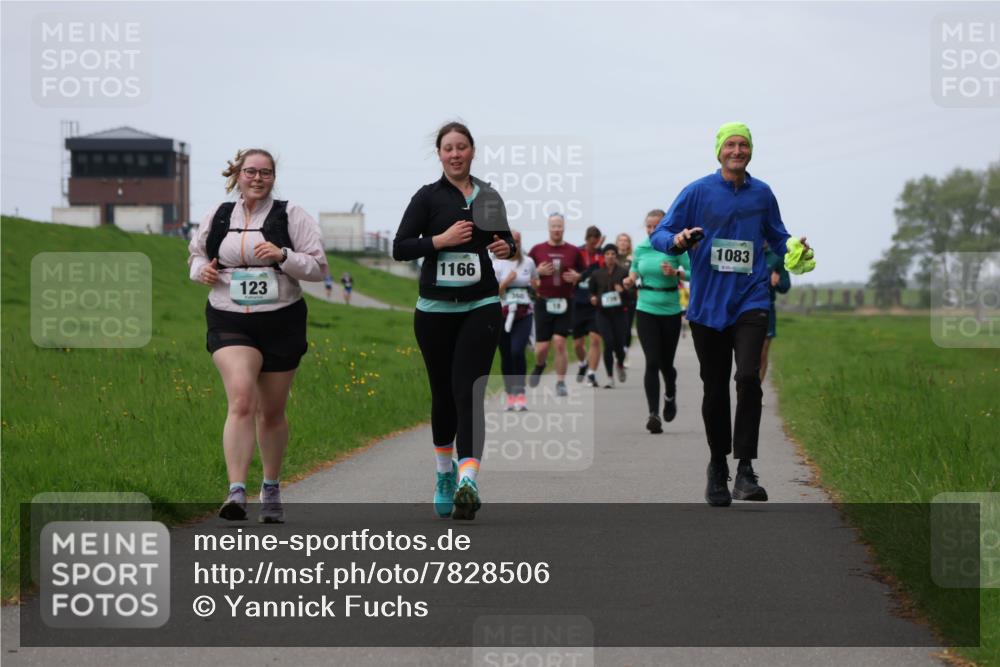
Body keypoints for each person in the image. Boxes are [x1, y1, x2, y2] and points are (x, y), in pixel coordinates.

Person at [651, 122, 812, 507]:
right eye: (731, 145)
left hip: (751, 300)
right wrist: (678, 240)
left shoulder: (762, 193)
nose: (737, 151)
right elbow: (662, 234)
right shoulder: (698, 191)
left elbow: (777, 235)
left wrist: (795, 249)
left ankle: (745, 469)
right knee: (715, 387)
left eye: (743, 145)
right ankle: (717, 465)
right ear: (719, 150)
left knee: (748, 378)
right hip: (708, 305)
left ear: (751, 151)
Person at [188, 148, 327, 523]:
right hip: (229, 318)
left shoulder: (291, 215)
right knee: (242, 399)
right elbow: (197, 256)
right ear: (238, 174)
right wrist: (201, 272)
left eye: (266, 173)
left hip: (281, 319)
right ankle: (236, 491)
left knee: (272, 412)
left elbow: (317, 267)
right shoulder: (217, 215)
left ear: (273, 177)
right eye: (251, 171)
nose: (258, 178)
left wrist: (283, 255)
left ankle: (270, 486)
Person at [393, 121, 515, 521]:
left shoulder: (488, 195)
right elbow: (401, 248)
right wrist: (440, 242)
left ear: (472, 151)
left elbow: (507, 243)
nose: (456, 154)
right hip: (435, 312)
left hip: (481, 305)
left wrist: (504, 245)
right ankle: (444, 474)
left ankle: (468, 480)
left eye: (462, 147)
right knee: (443, 394)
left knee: (470, 391)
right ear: (440, 154)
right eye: (448, 148)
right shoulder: (427, 198)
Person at [624, 209, 690, 434]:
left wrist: (676, 273)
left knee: (666, 364)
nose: (652, 230)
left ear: (665, 225)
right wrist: (629, 280)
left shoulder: (675, 246)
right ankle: (653, 414)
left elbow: (692, 272)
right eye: (649, 227)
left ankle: (670, 393)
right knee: (651, 361)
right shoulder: (641, 248)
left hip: (670, 309)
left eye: (656, 226)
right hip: (646, 308)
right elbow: (634, 271)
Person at [527, 214, 584, 397]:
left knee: (560, 343)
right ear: (549, 228)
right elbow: (525, 274)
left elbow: (584, 273)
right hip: (543, 302)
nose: (557, 229)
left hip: (565, 302)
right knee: (542, 347)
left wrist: (578, 277)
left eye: (560, 226)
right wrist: (538, 271)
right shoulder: (537, 250)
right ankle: (539, 365)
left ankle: (560, 382)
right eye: (554, 226)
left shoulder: (574, 251)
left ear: (564, 228)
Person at [494, 230, 538, 411]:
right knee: (505, 354)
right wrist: (506, 282)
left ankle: (520, 393)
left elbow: (535, 283)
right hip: (502, 314)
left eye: (518, 241)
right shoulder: (496, 264)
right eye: (511, 240)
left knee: (517, 351)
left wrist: (536, 287)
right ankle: (510, 394)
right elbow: (492, 292)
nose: (515, 244)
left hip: (524, 313)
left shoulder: (528, 262)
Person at [588, 244, 629, 388]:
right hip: (602, 313)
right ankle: (610, 378)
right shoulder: (597, 273)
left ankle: (620, 363)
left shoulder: (624, 272)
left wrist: (622, 291)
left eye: (612, 254)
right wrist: (592, 298)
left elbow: (631, 295)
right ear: (603, 256)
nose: (610, 256)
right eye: (607, 254)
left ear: (616, 256)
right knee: (608, 343)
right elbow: (591, 291)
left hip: (619, 314)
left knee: (620, 345)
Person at [571, 226, 604, 387]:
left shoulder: (602, 255)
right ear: (586, 240)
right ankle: (583, 363)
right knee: (577, 344)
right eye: (590, 243)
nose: (593, 246)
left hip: (594, 303)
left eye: (595, 243)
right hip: (578, 302)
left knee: (596, 339)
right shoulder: (577, 253)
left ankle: (591, 373)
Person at [760, 243, 791, 382]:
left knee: (762, 353)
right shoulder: (749, 251)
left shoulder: (777, 257)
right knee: (748, 354)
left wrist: (777, 282)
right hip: (745, 308)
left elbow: (785, 286)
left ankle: (756, 392)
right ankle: (747, 389)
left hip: (767, 310)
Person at [616, 232, 637, 365]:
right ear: (617, 242)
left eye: (626, 241)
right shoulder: (612, 257)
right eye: (621, 240)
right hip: (615, 297)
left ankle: (625, 351)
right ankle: (618, 352)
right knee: (616, 327)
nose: (623, 243)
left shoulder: (634, 258)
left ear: (629, 244)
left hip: (630, 297)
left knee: (627, 326)